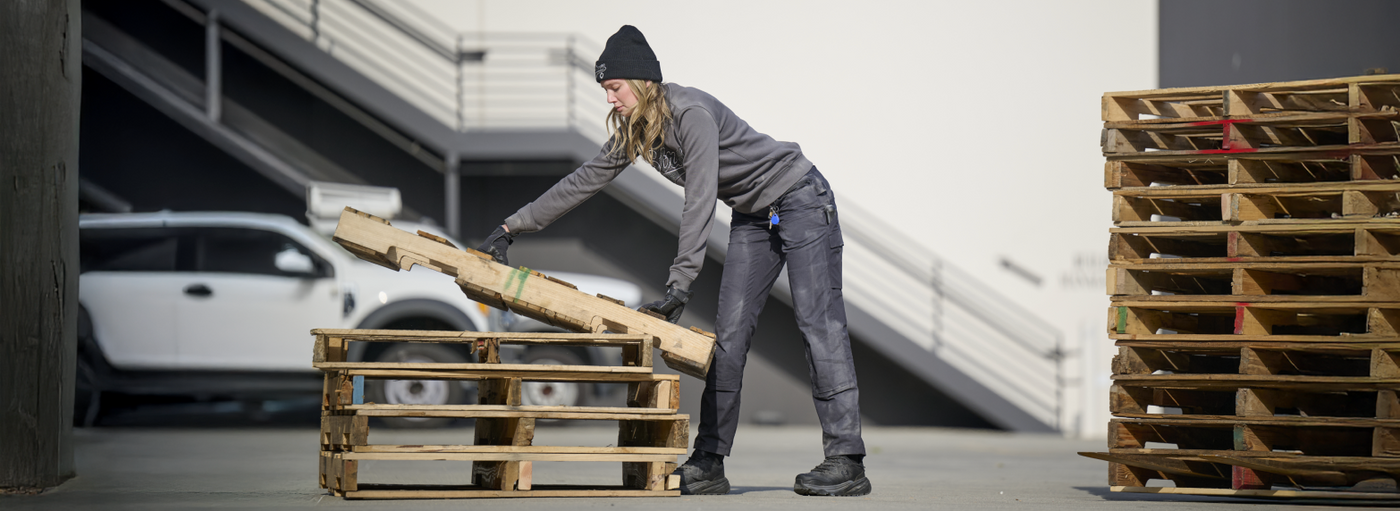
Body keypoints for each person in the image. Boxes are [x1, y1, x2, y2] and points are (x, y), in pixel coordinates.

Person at [475, 25, 870, 497]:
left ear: (642, 82)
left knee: (817, 323)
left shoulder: (691, 113)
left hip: (801, 198)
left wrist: (680, 283)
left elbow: (699, 200)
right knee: (729, 339)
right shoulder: (636, 129)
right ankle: (710, 461)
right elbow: (583, 181)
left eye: (615, 87)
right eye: (604, 90)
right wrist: (509, 227)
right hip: (752, 215)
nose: (610, 99)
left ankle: (846, 458)